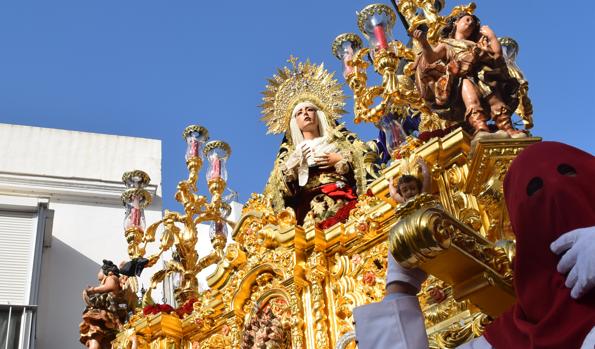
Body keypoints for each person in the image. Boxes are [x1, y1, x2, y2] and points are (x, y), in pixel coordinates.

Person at [354, 141, 595, 348]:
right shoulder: (506, 339)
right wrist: (400, 287)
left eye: (570, 173)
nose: (555, 190)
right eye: (533, 189)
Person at [412, 12, 525, 138]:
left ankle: (508, 129)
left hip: (484, 75)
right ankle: (480, 128)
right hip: (462, 78)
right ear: (456, 22)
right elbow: (431, 57)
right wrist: (424, 43)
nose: (470, 23)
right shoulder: (446, 44)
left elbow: (497, 55)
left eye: (472, 23)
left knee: (496, 102)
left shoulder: (477, 44)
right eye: (467, 20)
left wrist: (492, 36)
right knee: (472, 102)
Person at [280, 101, 359, 228]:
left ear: (318, 115)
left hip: (339, 195)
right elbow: (281, 191)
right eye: (299, 113)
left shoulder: (336, 144)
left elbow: (360, 163)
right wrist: (292, 167)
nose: (305, 114)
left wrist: (339, 159)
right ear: (295, 123)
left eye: (309, 110)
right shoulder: (293, 156)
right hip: (308, 207)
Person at [79, 260, 128, 349]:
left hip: (111, 308)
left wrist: (93, 290)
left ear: (108, 272)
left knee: (96, 334)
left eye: (100, 271)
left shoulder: (111, 277)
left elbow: (109, 287)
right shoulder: (107, 280)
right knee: (102, 339)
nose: (98, 273)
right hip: (108, 309)